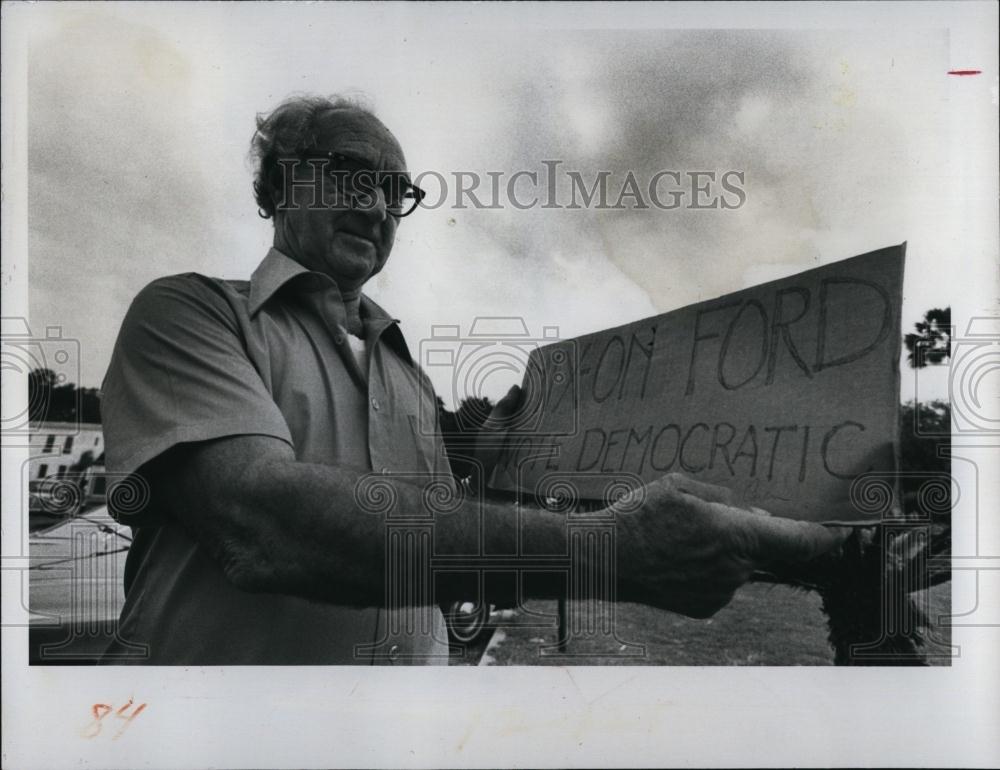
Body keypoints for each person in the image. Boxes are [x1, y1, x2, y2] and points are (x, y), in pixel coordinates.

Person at [100, 94, 847, 665]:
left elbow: (449, 537)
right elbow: (262, 526)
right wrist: (609, 551)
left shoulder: (402, 369)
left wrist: (494, 465)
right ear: (276, 187)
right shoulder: (189, 313)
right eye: (352, 173)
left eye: (397, 191)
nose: (379, 204)